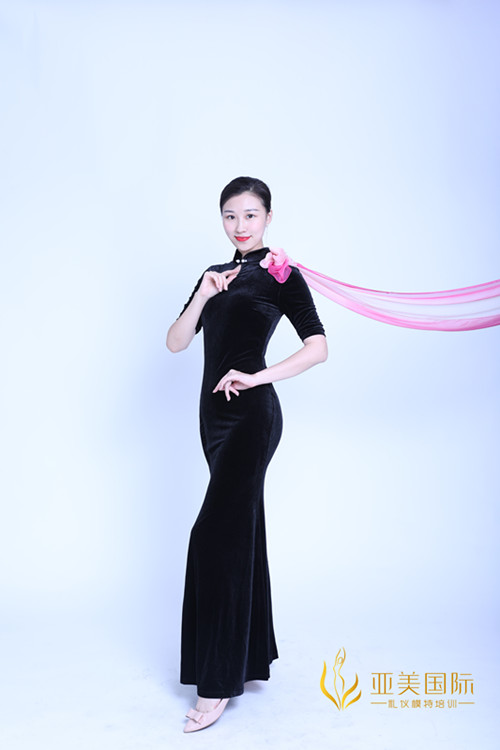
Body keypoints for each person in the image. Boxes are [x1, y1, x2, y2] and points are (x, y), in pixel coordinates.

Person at [166, 176, 328, 732]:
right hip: (212, 422)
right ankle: (249, 658)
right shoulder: (213, 275)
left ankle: (216, 683)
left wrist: (258, 376)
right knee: (240, 532)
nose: (240, 225)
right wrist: (204, 295)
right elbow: (176, 342)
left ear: (268, 217)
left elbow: (318, 347)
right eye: (230, 215)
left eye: (250, 215)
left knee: (214, 537)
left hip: (252, 419)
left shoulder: (281, 273)